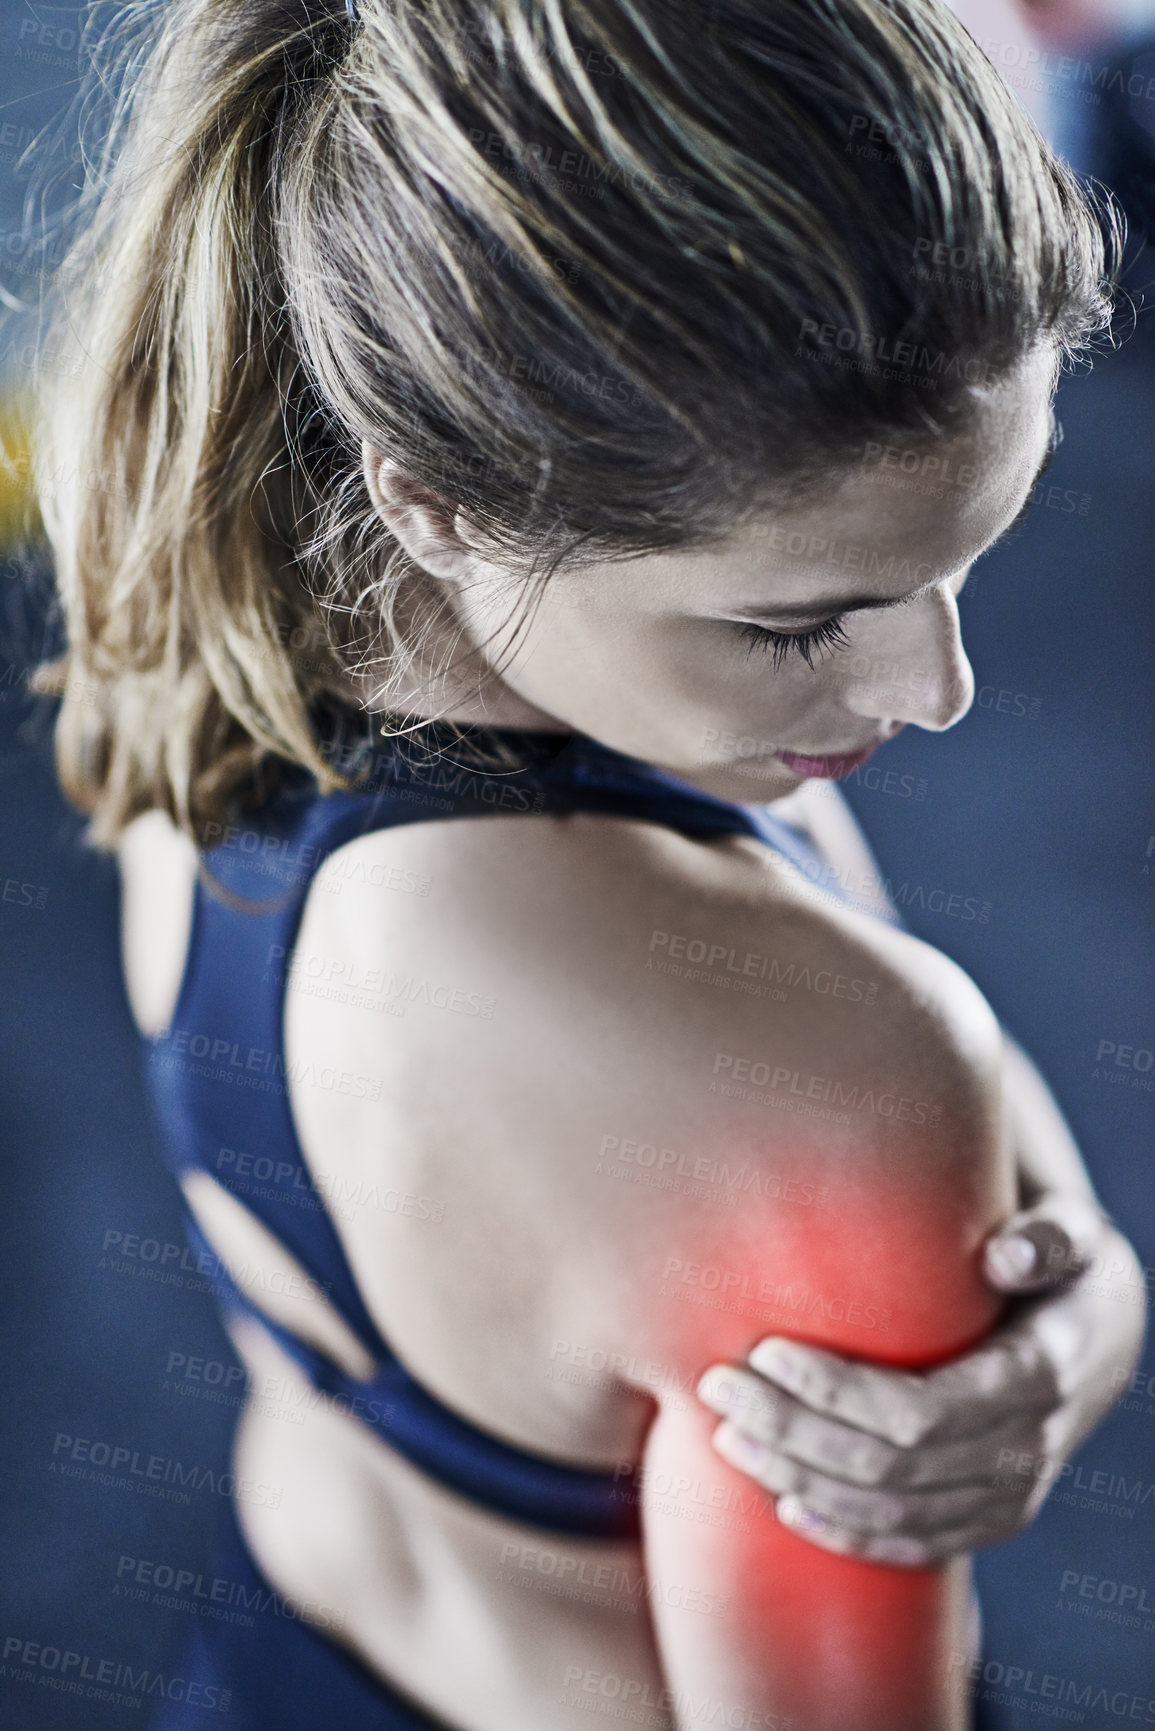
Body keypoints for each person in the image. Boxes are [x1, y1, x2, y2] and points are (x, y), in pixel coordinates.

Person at [30, 0, 1146, 1726]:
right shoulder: (803, 1070)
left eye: (962, 560)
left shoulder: (205, 628)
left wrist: (1082, 1292)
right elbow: (869, 1083)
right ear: (442, 502)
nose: (938, 691)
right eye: (803, 625)